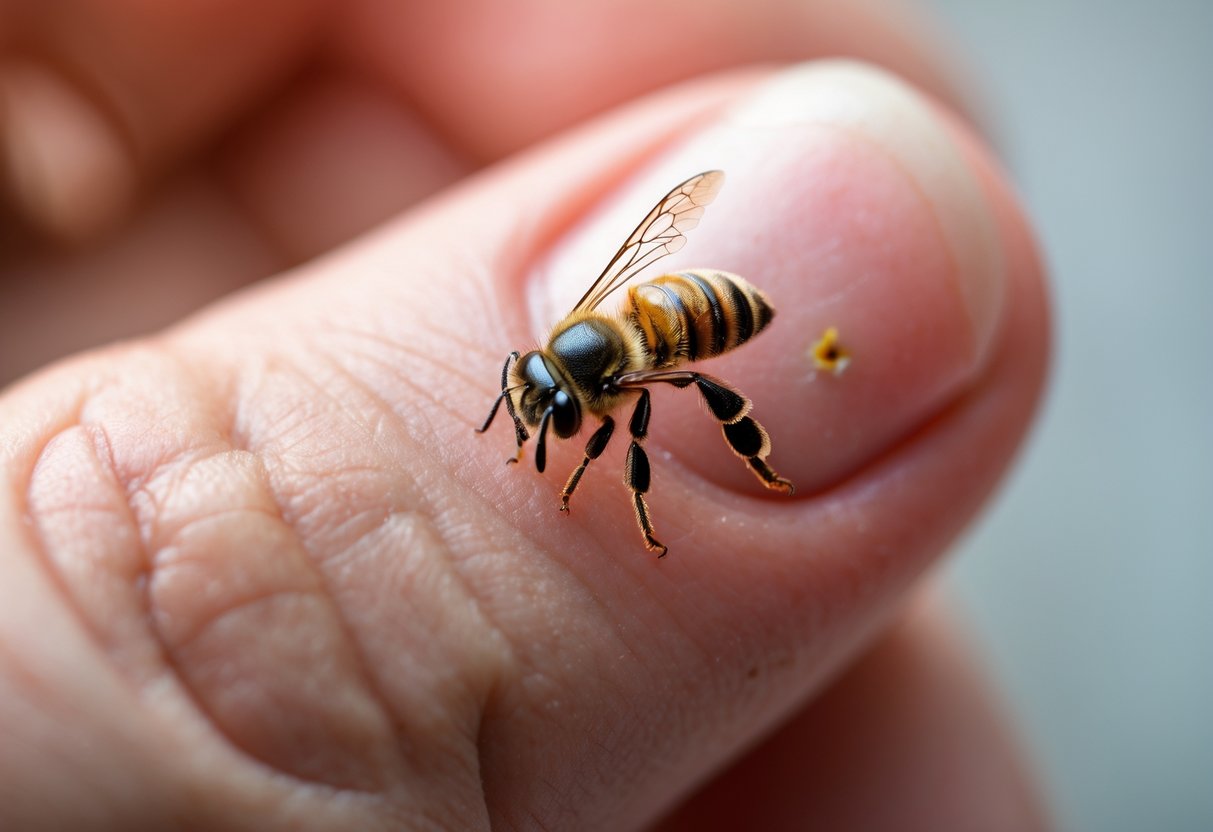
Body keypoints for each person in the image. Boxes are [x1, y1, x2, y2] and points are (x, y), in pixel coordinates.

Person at [0, 2, 1051, 828]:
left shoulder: (609, 377)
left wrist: (635, 518)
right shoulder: (566, 355)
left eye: (542, 402)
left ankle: (744, 453)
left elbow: (624, 419)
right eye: (538, 399)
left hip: (708, 313)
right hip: (659, 304)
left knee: (670, 401)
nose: (537, 412)